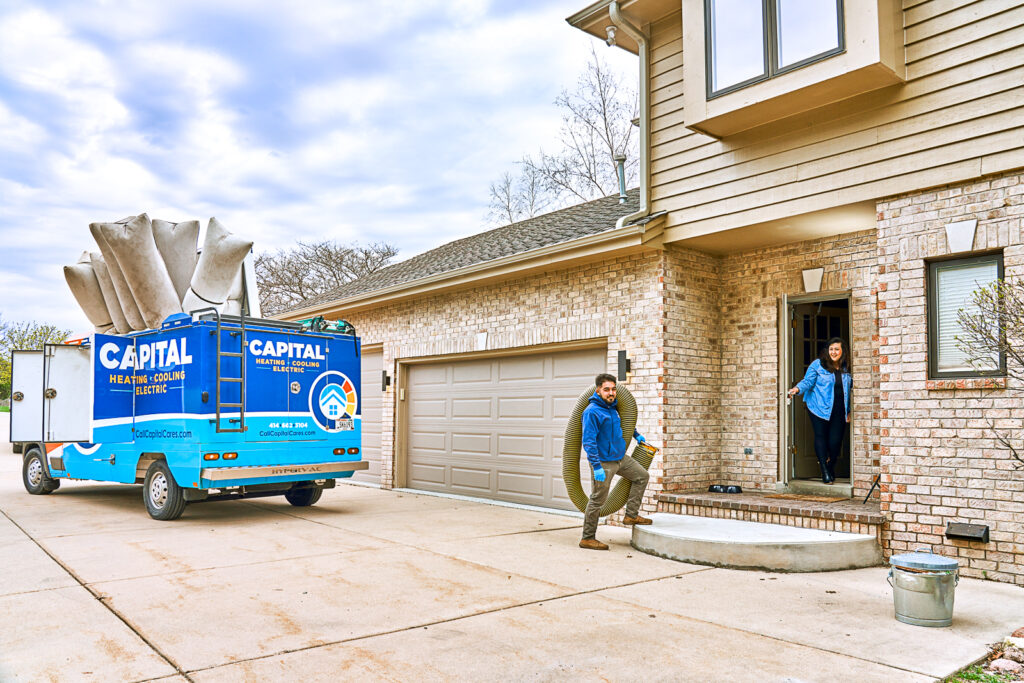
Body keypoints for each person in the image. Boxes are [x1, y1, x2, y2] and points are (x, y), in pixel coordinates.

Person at [579, 373, 650, 550]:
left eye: (613, 389)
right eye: (606, 389)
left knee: (642, 476)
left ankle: (631, 515)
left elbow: (622, 424)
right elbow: (588, 442)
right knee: (597, 500)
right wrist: (596, 467)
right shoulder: (592, 412)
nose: (611, 392)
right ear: (598, 390)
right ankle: (587, 538)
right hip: (603, 463)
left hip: (620, 457)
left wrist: (636, 435)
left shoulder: (613, 408)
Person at [787, 337, 852, 484]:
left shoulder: (846, 367)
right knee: (821, 436)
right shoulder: (818, 364)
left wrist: (849, 410)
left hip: (839, 409)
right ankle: (824, 470)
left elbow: (851, 388)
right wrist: (797, 389)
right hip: (818, 407)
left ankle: (830, 464)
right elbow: (808, 381)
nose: (833, 352)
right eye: (831, 349)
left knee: (835, 441)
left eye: (836, 349)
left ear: (843, 351)